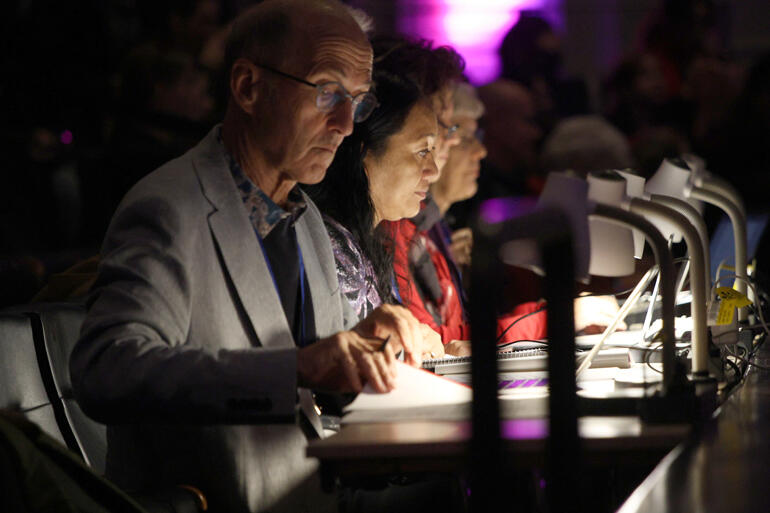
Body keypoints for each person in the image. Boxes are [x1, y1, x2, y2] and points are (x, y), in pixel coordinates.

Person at [69, 2, 432, 512]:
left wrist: (363, 348)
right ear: (247, 87)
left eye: (358, 101)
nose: (347, 125)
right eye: (327, 92)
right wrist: (296, 368)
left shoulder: (302, 213)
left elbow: (319, 374)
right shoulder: (169, 207)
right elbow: (107, 372)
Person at [308, 71, 445, 359]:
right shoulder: (330, 244)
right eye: (422, 151)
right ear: (364, 154)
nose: (434, 171)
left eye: (434, 151)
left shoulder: (362, 239)